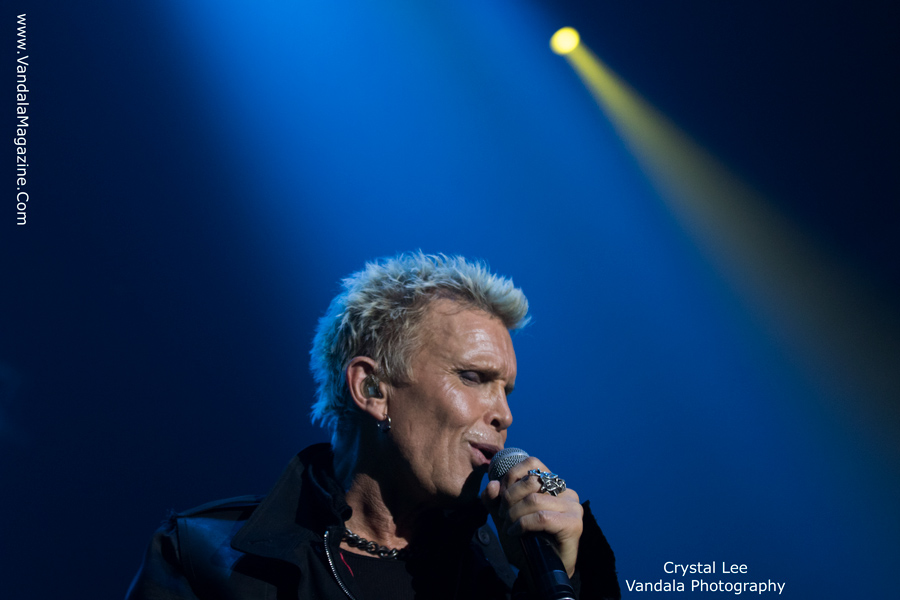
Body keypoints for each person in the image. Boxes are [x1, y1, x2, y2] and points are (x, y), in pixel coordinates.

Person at [126, 252, 621, 599]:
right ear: (372, 389)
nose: (504, 414)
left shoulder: (501, 576)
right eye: (473, 377)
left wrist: (562, 574)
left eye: (506, 390)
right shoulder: (209, 559)